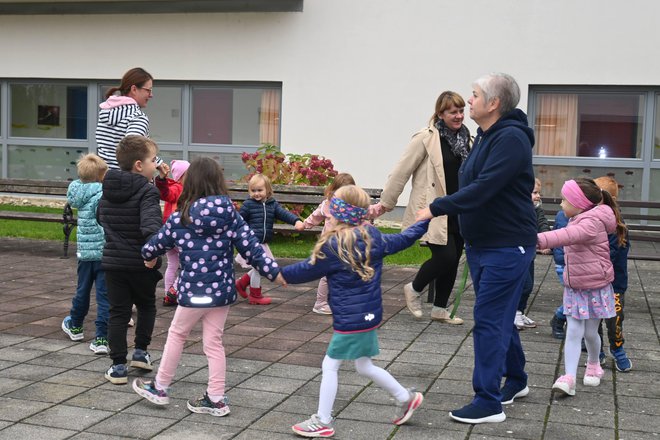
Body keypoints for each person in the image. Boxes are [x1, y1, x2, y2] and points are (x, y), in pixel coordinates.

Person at [416, 73, 536, 424]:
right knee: (500, 317)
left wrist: (436, 207)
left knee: (488, 320)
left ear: (494, 103)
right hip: (485, 244)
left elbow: (484, 188)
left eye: (475, 95)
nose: (470, 101)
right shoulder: (485, 136)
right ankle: (516, 380)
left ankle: (488, 401)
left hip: (506, 246)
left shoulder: (510, 139)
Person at [132, 157, 283, 416]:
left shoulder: (181, 217)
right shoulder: (230, 215)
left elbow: (156, 244)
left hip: (192, 291)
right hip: (221, 291)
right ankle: (216, 398)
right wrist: (274, 272)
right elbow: (252, 247)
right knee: (214, 342)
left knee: (177, 335)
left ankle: (160, 387)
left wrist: (148, 256)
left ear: (191, 183)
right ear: (217, 182)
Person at [280, 185, 428, 437]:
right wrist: (423, 223)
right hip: (369, 315)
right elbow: (404, 239)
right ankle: (406, 397)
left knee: (330, 365)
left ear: (338, 214)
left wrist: (279, 273)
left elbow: (306, 269)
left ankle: (323, 421)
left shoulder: (335, 245)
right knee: (364, 365)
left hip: (351, 320)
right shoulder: (374, 236)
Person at [375, 91, 470, 324]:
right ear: (440, 113)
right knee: (445, 257)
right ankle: (414, 288)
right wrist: (387, 202)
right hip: (433, 208)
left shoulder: (468, 139)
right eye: (453, 112)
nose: (458, 116)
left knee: (454, 257)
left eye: (461, 111)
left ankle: (440, 309)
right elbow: (401, 171)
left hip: (459, 208)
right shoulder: (425, 138)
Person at [537, 178, 626, 396]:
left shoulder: (590, 222)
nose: (560, 203)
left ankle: (594, 364)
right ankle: (568, 377)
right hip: (576, 285)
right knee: (574, 330)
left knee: (590, 332)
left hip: (595, 286)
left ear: (578, 203)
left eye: (564, 199)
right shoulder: (581, 217)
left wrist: (535, 239)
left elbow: (566, 236)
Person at [98, 135, 163, 384]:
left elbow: (98, 215)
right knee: (146, 306)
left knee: (118, 313)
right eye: (152, 160)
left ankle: (117, 366)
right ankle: (141, 352)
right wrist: (152, 253)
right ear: (138, 165)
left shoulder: (108, 188)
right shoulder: (147, 191)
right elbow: (151, 226)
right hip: (140, 263)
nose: (155, 165)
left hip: (113, 263)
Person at [61, 154, 110, 354]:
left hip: (85, 253)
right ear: (100, 175)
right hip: (103, 253)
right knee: (104, 296)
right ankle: (101, 338)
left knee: (82, 291)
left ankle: (76, 325)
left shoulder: (77, 193)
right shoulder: (103, 193)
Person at [235, 174, 304, 305]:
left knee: (259, 268)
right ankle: (255, 295)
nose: (256, 193)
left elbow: (284, 214)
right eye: (253, 190)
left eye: (259, 190)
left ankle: (241, 283)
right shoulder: (248, 205)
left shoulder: (272, 205)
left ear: (268, 190)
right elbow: (239, 221)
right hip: (251, 243)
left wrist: (296, 221)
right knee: (258, 269)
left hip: (263, 242)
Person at [301, 172, 356, 314]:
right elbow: (315, 216)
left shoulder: (352, 207)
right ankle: (320, 303)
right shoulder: (327, 204)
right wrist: (305, 224)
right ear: (334, 191)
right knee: (327, 274)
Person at [593, 176, 632, 372]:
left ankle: (617, 349)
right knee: (594, 318)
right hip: (594, 281)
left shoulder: (617, 224)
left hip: (614, 283)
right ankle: (597, 351)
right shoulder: (591, 218)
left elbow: (611, 252)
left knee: (615, 318)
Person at [96, 67, 158, 170]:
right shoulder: (137, 117)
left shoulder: (105, 112)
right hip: (127, 181)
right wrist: (157, 163)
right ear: (134, 89)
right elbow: (134, 151)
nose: (151, 95)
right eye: (148, 90)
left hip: (104, 178)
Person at [514, 177, 551, 329]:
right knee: (524, 285)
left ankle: (520, 312)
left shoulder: (536, 209)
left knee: (529, 286)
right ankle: (514, 313)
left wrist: (546, 240)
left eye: (539, 193)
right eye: (534, 192)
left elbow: (542, 223)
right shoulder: (517, 210)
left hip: (530, 254)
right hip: (517, 254)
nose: (538, 196)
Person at [154, 159, 191, 306]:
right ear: (182, 176)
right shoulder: (178, 188)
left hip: (169, 233)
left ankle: (169, 292)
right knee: (187, 263)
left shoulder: (178, 187)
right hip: (178, 233)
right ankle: (174, 290)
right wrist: (161, 179)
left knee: (173, 264)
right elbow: (165, 193)